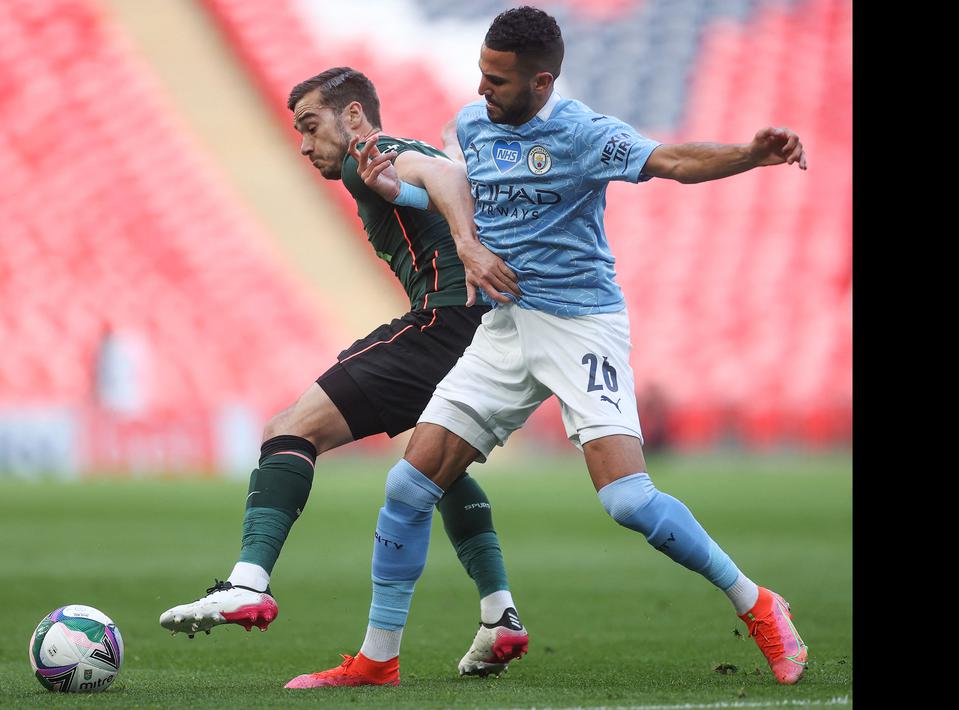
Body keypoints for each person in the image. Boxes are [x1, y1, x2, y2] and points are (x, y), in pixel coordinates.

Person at [285, 6, 809, 689]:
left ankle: (759, 603)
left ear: (541, 81)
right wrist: (394, 190)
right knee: (408, 485)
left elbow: (673, 160)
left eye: (498, 80)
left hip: (578, 323)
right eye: (479, 73)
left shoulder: (581, 133)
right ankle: (378, 657)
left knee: (626, 501)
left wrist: (749, 154)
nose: (481, 90)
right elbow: (454, 195)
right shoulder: (470, 125)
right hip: (503, 328)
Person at [159, 67, 531, 679]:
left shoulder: (371, 156)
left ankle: (249, 582)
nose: (305, 146)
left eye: (311, 126)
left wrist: (465, 243)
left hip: (441, 326)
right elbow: (449, 173)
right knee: (429, 468)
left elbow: (442, 177)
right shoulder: (405, 155)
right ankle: (499, 615)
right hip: (481, 334)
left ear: (353, 116)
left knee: (289, 429)